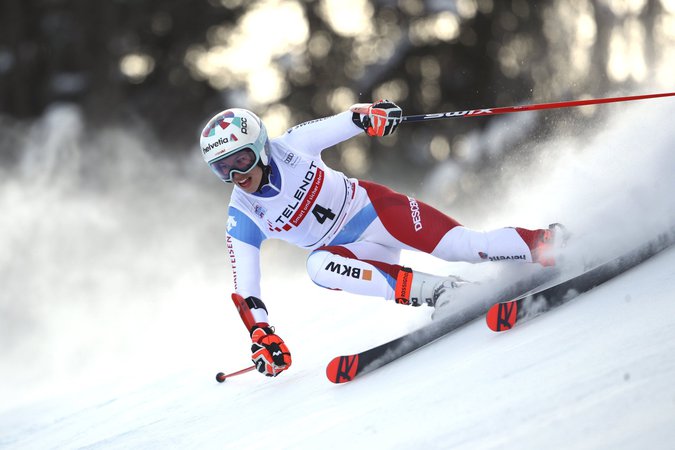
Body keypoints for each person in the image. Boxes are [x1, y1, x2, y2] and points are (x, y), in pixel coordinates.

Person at [200, 101, 560, 378]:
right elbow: (246, 289)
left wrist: (373, 115)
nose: (236, 174)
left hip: (377, 211)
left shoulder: (293, 145)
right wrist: (260, 334)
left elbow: (347, 120)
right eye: (222, 168)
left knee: (465, 247)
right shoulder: (242, 214)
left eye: (242, 159)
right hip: (354, 252)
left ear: (260, 147)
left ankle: (548, 242)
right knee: (318, 265)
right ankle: (443, 292)